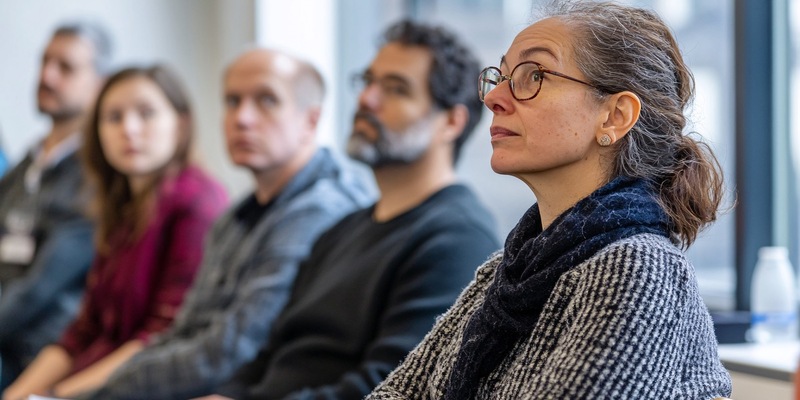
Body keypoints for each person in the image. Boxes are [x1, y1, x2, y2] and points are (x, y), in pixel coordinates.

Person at [366, 2, 733, 399]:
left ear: (614, 115)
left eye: (533, 75)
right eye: (501, 76)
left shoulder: (638, 268)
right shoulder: (507, 270)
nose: (494, 99)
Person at [204, 20, 500, 400]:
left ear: (452, 121)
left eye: (395, 89)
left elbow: (392, 386)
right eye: (368, 81)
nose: (367, 99)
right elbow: (269, 355)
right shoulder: (342, 229)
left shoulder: (458, 238)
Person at [78, 49, 372, 400]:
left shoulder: (325, 207)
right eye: (232, 101)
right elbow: (183, 329)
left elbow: (233, 348)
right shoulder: (235, 217)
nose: (242, 118)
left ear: (310, 120)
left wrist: (97, 394)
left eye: (266, 100)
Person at [1, 65, 228, 400]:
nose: (129, 129)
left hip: (145, 385)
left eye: (146, 114)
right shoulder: (118, 207)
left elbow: (161, 337)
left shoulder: (196, 203)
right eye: (114, 117)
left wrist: (55, 396)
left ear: (180, 124)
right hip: (89, 376)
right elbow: (80, 333)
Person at [0, 21, 111, 388]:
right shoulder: (22, 168)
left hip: (34, 352)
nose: (47, 76)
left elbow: (41, 288)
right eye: (45, 62)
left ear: (98, 85)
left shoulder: (95, 177)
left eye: (66, 67)